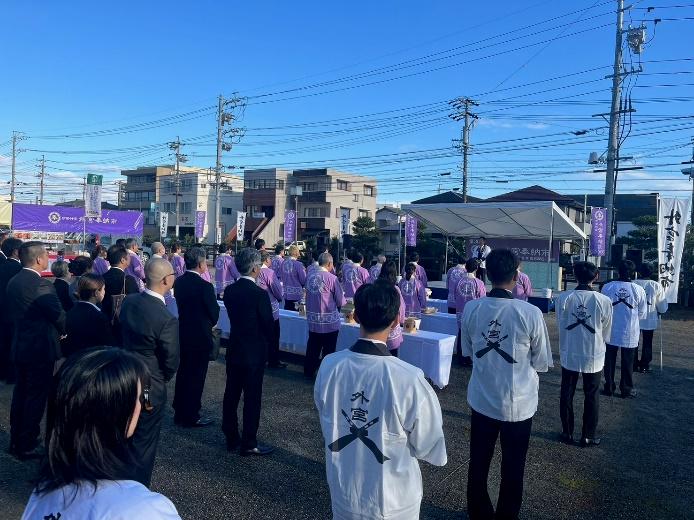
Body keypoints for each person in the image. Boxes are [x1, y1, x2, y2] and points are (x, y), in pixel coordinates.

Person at [314, 281, 447, 520]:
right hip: (394, 500)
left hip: (345, 492)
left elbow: (325, 414)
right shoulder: (409, 378)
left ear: (355, 316)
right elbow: (429, 445)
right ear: (396, 321)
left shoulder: (329, 365)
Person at [22, 348, 182, 520]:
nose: (142, 406)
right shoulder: (144, 509)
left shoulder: (43, 493)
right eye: (138, 398)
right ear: (116, 412)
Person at [460, 249, 551, 520]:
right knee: (513, 466)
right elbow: (541, 361)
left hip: (482, 399)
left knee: (479, 462)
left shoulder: (472, 308)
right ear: (516, 276)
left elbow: (467, 351)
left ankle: (479, 513)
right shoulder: (530, 313)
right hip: (518, 404)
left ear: (487, 274)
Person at [120, 258, 180, 486]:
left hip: (123, 374)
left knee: (122, 430)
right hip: (147, 385)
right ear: (166, 280)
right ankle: (137, 488)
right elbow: (171, 360)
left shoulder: (130, 301)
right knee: (144, 437)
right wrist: (160, 378)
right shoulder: (166, 318)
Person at [7, 241, 66, 460]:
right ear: (39, 259)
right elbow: (59, 316)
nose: (48, 259)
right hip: (40, 348)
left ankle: (16, 440)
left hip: (20, 345)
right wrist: (64, 331)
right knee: (35, 398)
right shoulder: (41, 284)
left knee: (21, 394)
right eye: (47, 255)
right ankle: (27, 443)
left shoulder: (14, 281)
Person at [222, 248, 275, 456]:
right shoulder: (260, 294)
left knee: (231, 394)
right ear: (254, 268)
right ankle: (249, 441)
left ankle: (231, 436)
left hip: (235, 347)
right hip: (254, 352)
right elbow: (268, 324)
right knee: (252, 398)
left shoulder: (230, 291)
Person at [556, 261, 613, 447]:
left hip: (570, 349)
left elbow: (560, 323)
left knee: (567, 391)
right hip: (593, 351)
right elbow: (606, 329)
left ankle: (567, 432)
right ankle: (588, 435)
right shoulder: (603, 300)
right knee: (592, 394)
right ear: (596, 276)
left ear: (574, 275)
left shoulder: (564, 298)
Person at [172, 247, 219, 428]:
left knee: (184, 372)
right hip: (200, 335)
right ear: (200, 264)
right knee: (197, 376)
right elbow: (214, 313)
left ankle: (179, 410)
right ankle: (191, 414)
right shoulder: (205, 286)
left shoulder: (179, 282)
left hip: (183, 332)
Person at [601, 260, 647, 398]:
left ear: (617, 271)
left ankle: (609, 387)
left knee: (609, 360)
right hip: (629, 330)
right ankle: (626, 389)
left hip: (610, 329)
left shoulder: (607, 287)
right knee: (628, 362)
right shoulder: (638, 289)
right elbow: (642, 313)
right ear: (633, 273)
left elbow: (602, 310)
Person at [305, 252, 346, 379]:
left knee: (313, 347)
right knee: (328, 350)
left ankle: (309, 371)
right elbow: (340, 301)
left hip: (313, 319)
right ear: (329, 264)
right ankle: (326, 374)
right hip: (329, 321)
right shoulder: (332, 278)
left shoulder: (310, 276)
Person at [63, 273, 115, 357]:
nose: (104, 292)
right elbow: (108, 345)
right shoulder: (99, 317)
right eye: (103, 289)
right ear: (96, 293)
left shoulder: (70, 312)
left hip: (74, 359)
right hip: (93, 360)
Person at [633, 263, 668, 373]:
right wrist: (661, 310)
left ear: (639, 272)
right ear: (652, 272)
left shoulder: (633, 283)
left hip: (634, 317)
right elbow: (662, 306)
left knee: (633, 341)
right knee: (647, 342)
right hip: (649, 317)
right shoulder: (656, 285)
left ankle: (633, 363)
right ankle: (644, 365)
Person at [102, 245, 139, 346]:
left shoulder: (102, 277)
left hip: (104, 322)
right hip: (122, 323)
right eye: (129, 257)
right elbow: (136, 302)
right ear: (123, 260)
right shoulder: (128, 280)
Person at [257, 250, 286, 369]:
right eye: (269, 259)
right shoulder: (269, 272)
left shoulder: (254, 271)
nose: (271, 261)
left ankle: (261, 359)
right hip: (270, 309)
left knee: (261, 336)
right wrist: (280, 298)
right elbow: (277, 290)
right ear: (266, 260)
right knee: (273, 337)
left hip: (257, 308)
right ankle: (273, 361)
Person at [455, 259, 487, 367]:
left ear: (465, 267)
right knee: (473, 335)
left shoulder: (458, 281)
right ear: (476, 268)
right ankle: (471, 358)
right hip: (474, 313)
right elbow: (482, 300)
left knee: (461, 333)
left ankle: (461, 358)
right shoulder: (479, 283)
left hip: (461, 311)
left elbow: (455, 295)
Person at [0, 237, 23, 383]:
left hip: (2, 310)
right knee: (13, 344)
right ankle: (11, 375)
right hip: (14, 312)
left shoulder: (2, 266)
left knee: (2, 342)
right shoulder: (20, 270)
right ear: (15, 251)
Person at [377, 261, 406, 356]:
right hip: (391, 327)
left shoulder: (375, 287)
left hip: (377, 328)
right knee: (392, 358)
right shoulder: (395, 289)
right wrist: (401, 321)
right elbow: (401, 308)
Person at [281, 244, 306, 310]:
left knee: (287, 313)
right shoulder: (299, 264)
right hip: (297, 295)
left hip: (286, 293)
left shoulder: (283, 263)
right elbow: (303, 280)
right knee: (300, 313)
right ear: (297, 253)